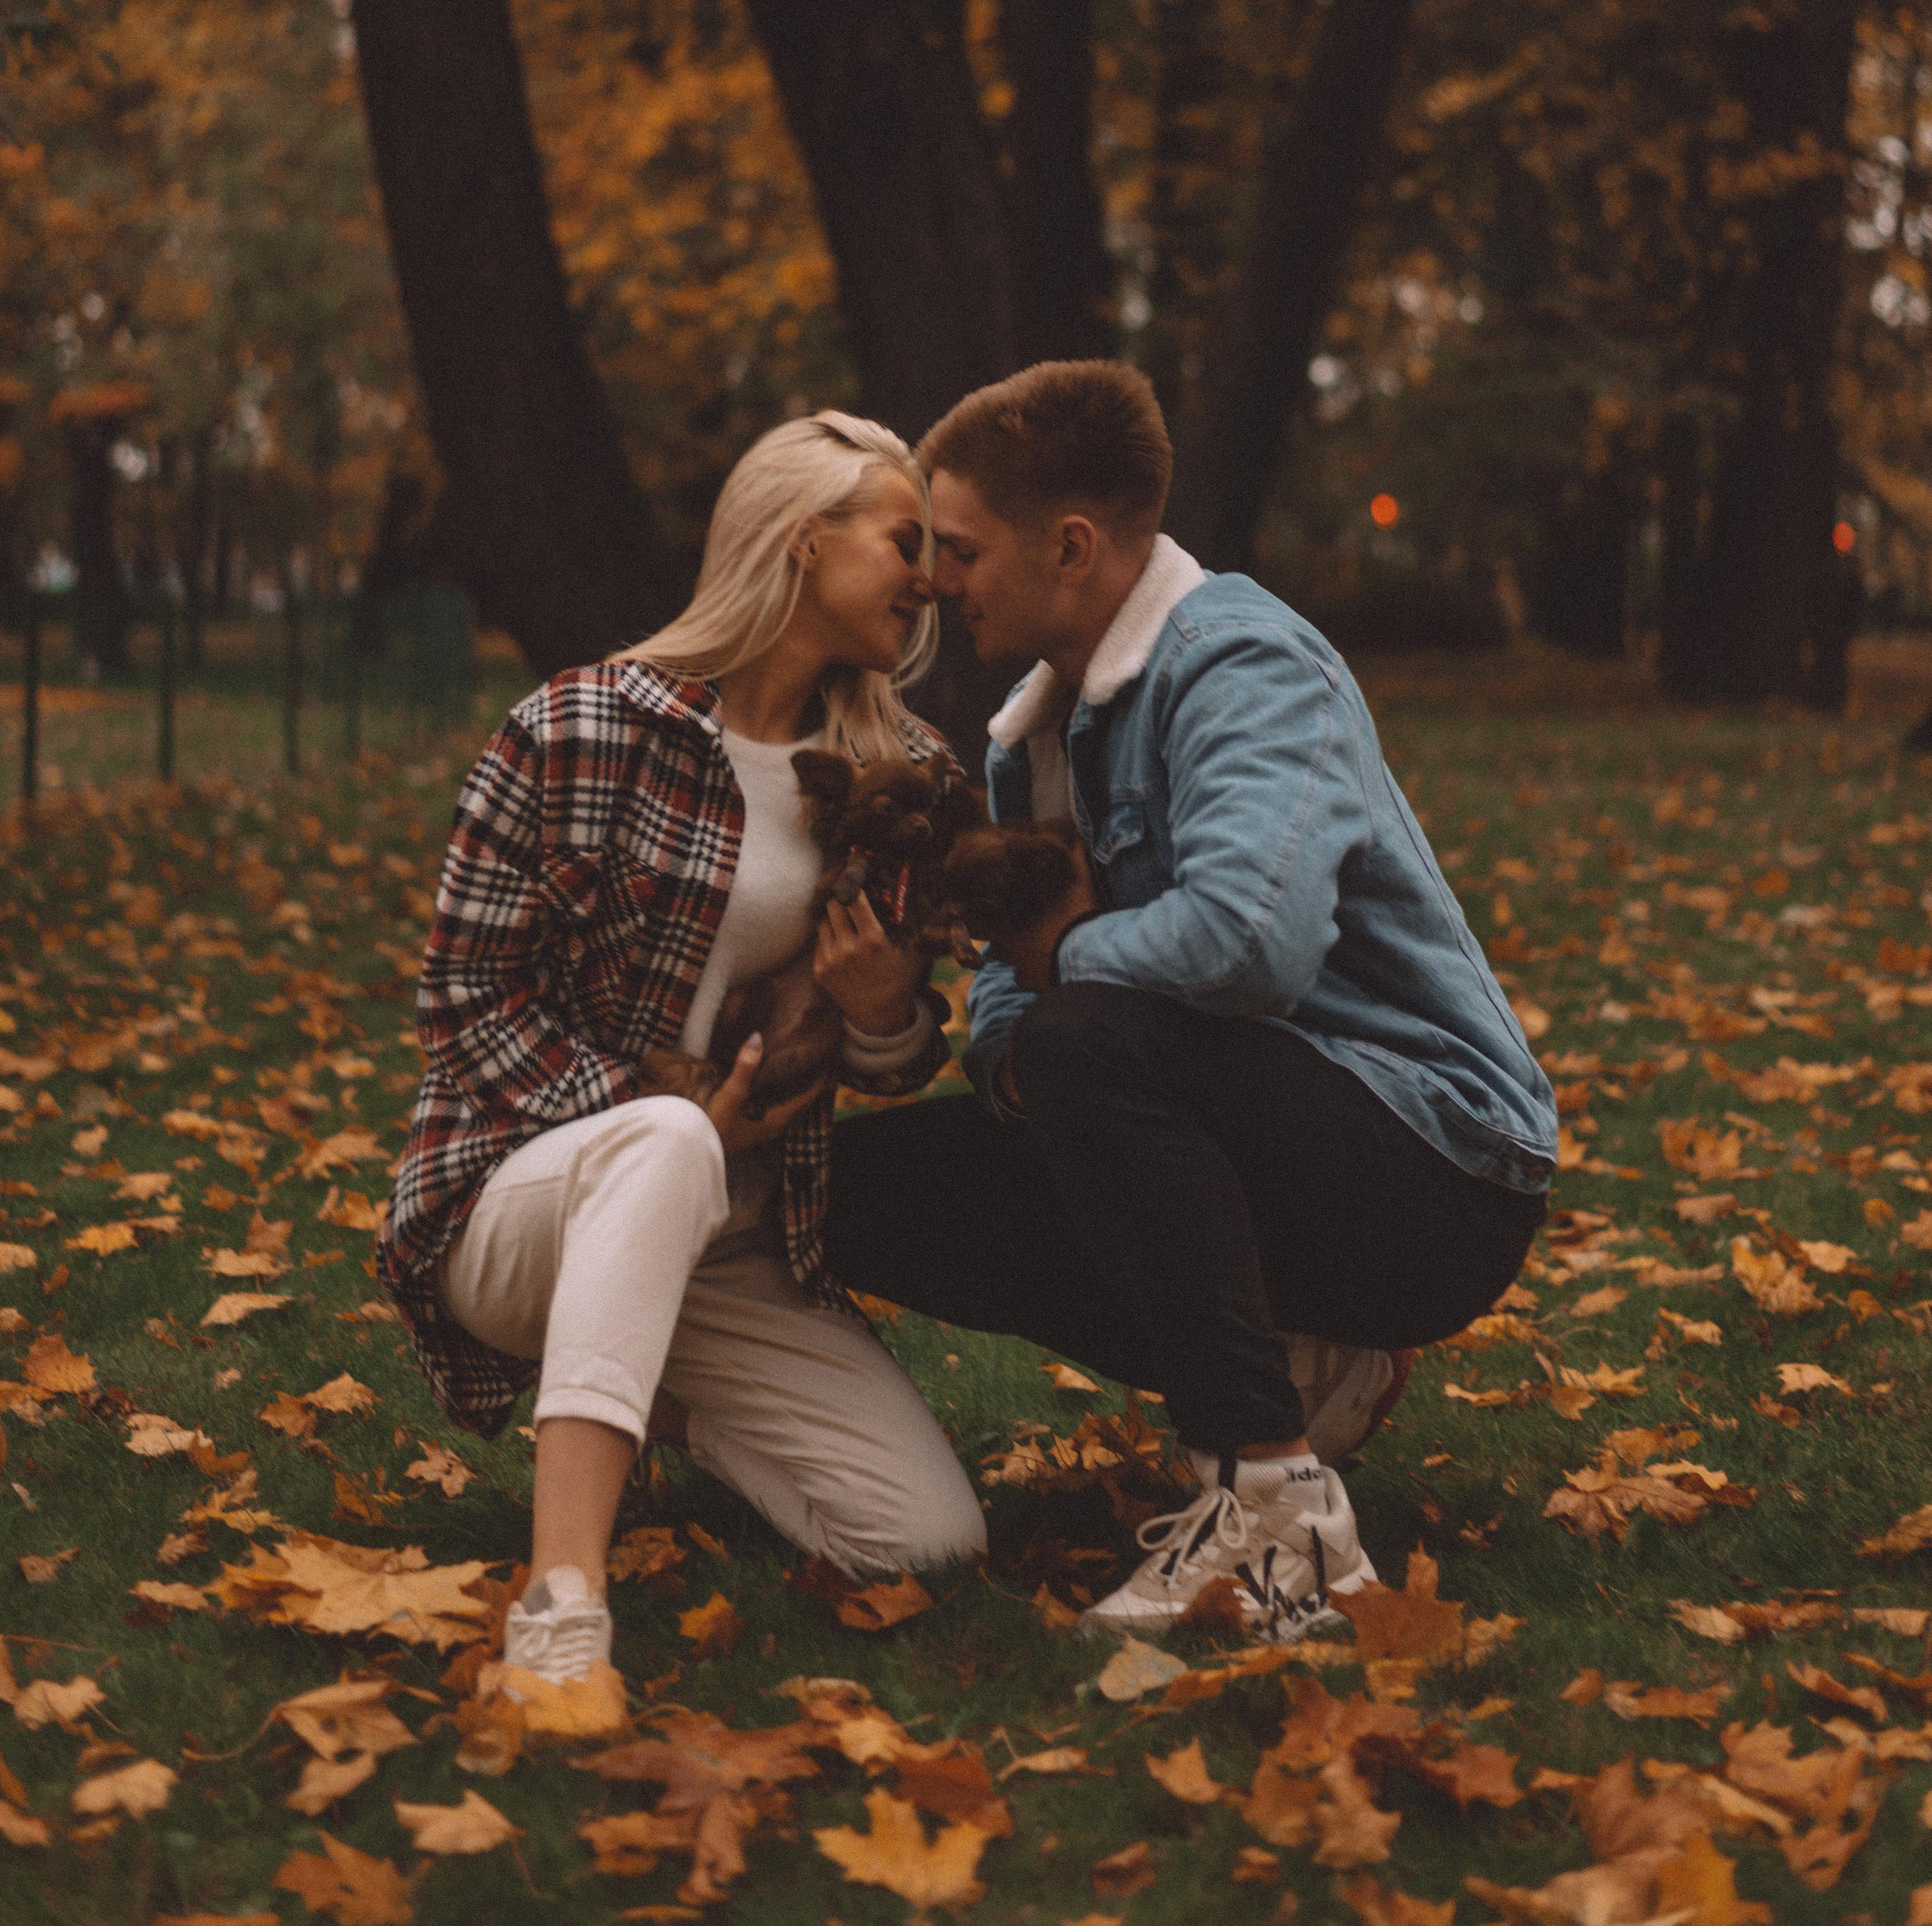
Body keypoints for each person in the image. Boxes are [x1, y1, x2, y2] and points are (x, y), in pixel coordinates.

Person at [826, 360, 1557, 1639]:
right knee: (854, 1185)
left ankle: (1278, 1514)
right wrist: (1019, 1037)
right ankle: (1301, 1360)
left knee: (1085, 1040)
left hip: (1438, 1174)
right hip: (1244, 1135)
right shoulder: (1030, 737)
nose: (937, 580)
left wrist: (1062, 962)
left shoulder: (1243, 663)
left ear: (1071, 545)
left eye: (962, 549)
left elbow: (1247, 943)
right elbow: (1005, 997)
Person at [378, 412, 986, 1684]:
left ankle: (641, 1377)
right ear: (804, 540)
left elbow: (893, 1063)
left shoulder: (900, 770)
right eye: (904, 540)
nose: (928, 577)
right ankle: (563, 1606)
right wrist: (679, 1116)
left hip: (736, 1244)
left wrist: (884, 1009)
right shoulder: (578, 727)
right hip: (525, 1201)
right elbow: (465, 999)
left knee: (924, 1537)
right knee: (660, 1140)